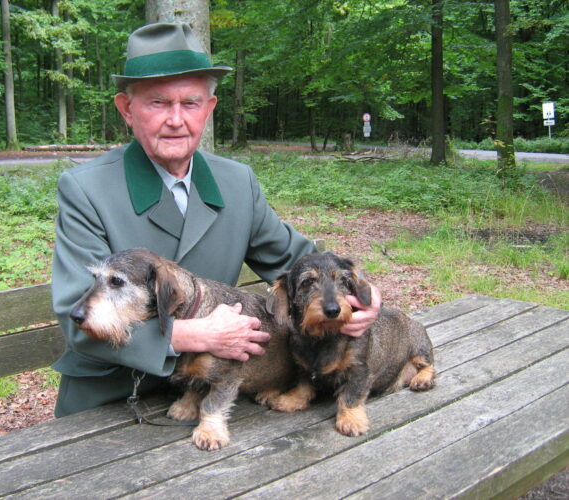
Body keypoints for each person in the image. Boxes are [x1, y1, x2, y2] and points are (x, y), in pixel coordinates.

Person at [51, 22, 381, 417]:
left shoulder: (236, 182)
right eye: (158, 103)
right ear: (127, 109)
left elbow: (299, 261)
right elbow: (78, 318)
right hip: (115, 397)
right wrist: (193, 335)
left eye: (190, 103)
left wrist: (364, 298)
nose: (176, 119)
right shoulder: (87, 189)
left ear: (208, 109)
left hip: (217, 392)